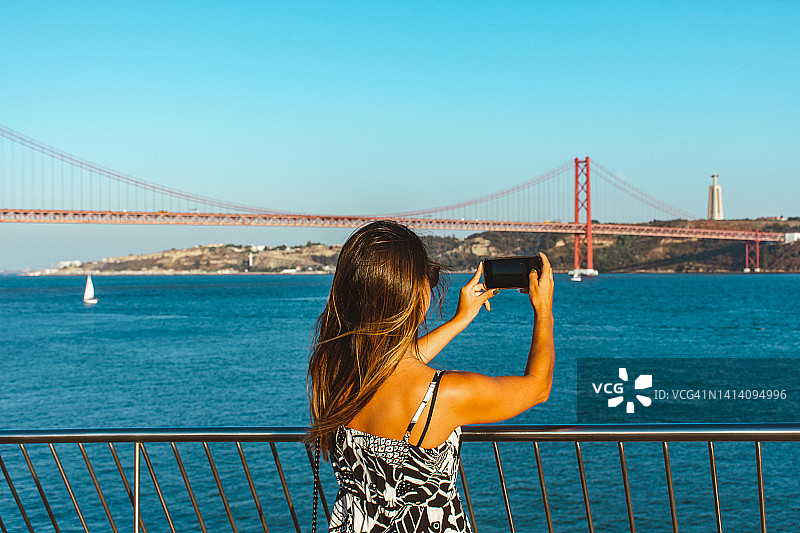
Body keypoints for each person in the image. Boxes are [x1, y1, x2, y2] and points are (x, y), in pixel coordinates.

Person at [307, 220, 555, 533]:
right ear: (412, 292)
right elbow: (538, 388)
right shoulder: (443, 395)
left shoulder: (335, 371)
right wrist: (543, 311)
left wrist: (461, 320)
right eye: (431, 277)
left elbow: (398, 362)